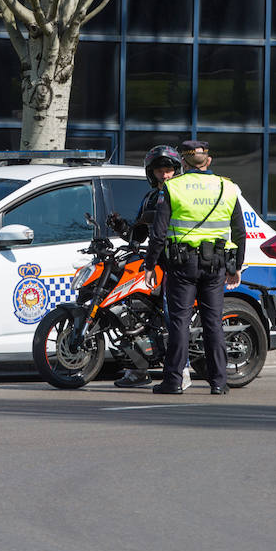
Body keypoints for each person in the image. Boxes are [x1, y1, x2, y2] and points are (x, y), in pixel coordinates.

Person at [143, 139, 245, 395]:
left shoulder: (173, 187)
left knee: (179, 322)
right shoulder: (227, 187)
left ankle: (174, 381)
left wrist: (149, 265)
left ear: (183, 163)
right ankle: (219, 382)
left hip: (182, 265)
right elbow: (240, 232)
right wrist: (237, 266)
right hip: (216, 266)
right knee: (213, 323)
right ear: (208, 161)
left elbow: (158, 233)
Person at [109, 144, 185, 389]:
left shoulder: (183, 194)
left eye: (168, 169)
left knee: (173, 316)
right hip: (154, 263)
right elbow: (137, 235)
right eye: (159, 170)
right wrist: (121, 226)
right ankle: (138, 369)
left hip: (178, 264)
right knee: (134, 312)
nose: (164, 175)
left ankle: (181, 370)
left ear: (177, 170)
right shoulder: (151, 198)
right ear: (151, 173)